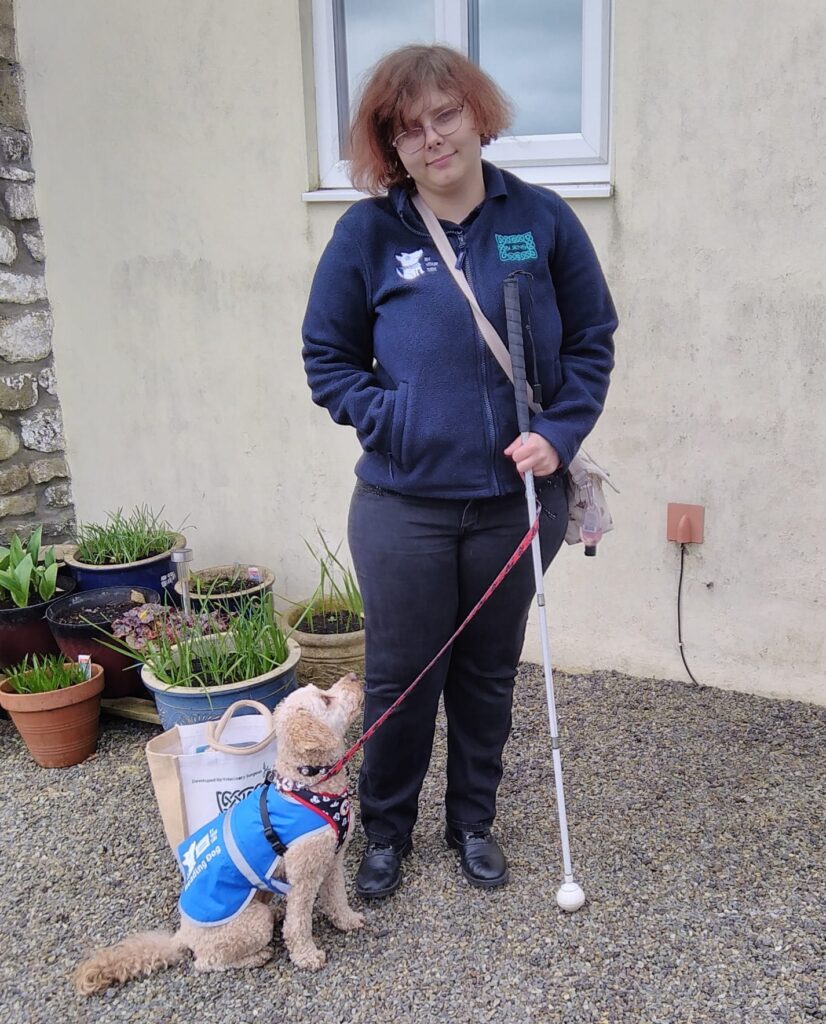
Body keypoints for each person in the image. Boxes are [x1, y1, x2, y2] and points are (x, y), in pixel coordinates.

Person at [302, 44, 617, 898]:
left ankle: (471, 822)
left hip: (518, 499)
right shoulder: (368, 233)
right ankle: (386, 834)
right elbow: (327, 359)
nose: (433, 138)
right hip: (404, 504)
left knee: (486, 670)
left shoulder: (542, 219)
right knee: (403, 674)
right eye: (409, 130)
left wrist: (558, 430)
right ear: (391, 149)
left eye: (446, 115)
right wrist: (393, 418)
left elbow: (591, 341)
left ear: (476, 114)